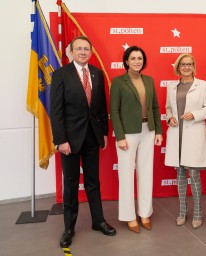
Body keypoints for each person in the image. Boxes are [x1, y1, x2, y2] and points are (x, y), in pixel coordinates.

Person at [50, 35, 116, 248]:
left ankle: (98, 221)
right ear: (71, 52)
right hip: (69, 140)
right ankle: (69, 228)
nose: (83, 52)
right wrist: (60, 140)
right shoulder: (61, 74)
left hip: (92, 137)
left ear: (91, 51)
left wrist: (104, 133)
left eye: (86, 49)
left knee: (93, 181)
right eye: (78, 49)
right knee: (70, 184)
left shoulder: (96, 73)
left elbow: (101, 108)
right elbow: (56, 111)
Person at [110, 45, 163, 233]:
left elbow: (155, 107)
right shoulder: (118, 82)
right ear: (126, 61)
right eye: (133, 58)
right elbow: (114, 111)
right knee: (125, 175)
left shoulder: (149, 80)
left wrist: (158, 131)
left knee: (146, 173)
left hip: (148, 131)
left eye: (140, 58)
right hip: (128, 133)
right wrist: (120, 136)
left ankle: (144, 213)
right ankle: (129, 216)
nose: (137, 61)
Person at [164, 53, 206, 229]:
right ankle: (182, 210)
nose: (186, 67)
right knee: (180, 174)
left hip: (193, 132)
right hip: (177, 134)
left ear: (194, 66)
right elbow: (168, 108)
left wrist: (195, 114)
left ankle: (198, 211)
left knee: (194, 174)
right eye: (183, 64)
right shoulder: (171, 86)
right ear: (178, 67)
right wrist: (170, 118)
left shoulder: (203, 85)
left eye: (189, 64)